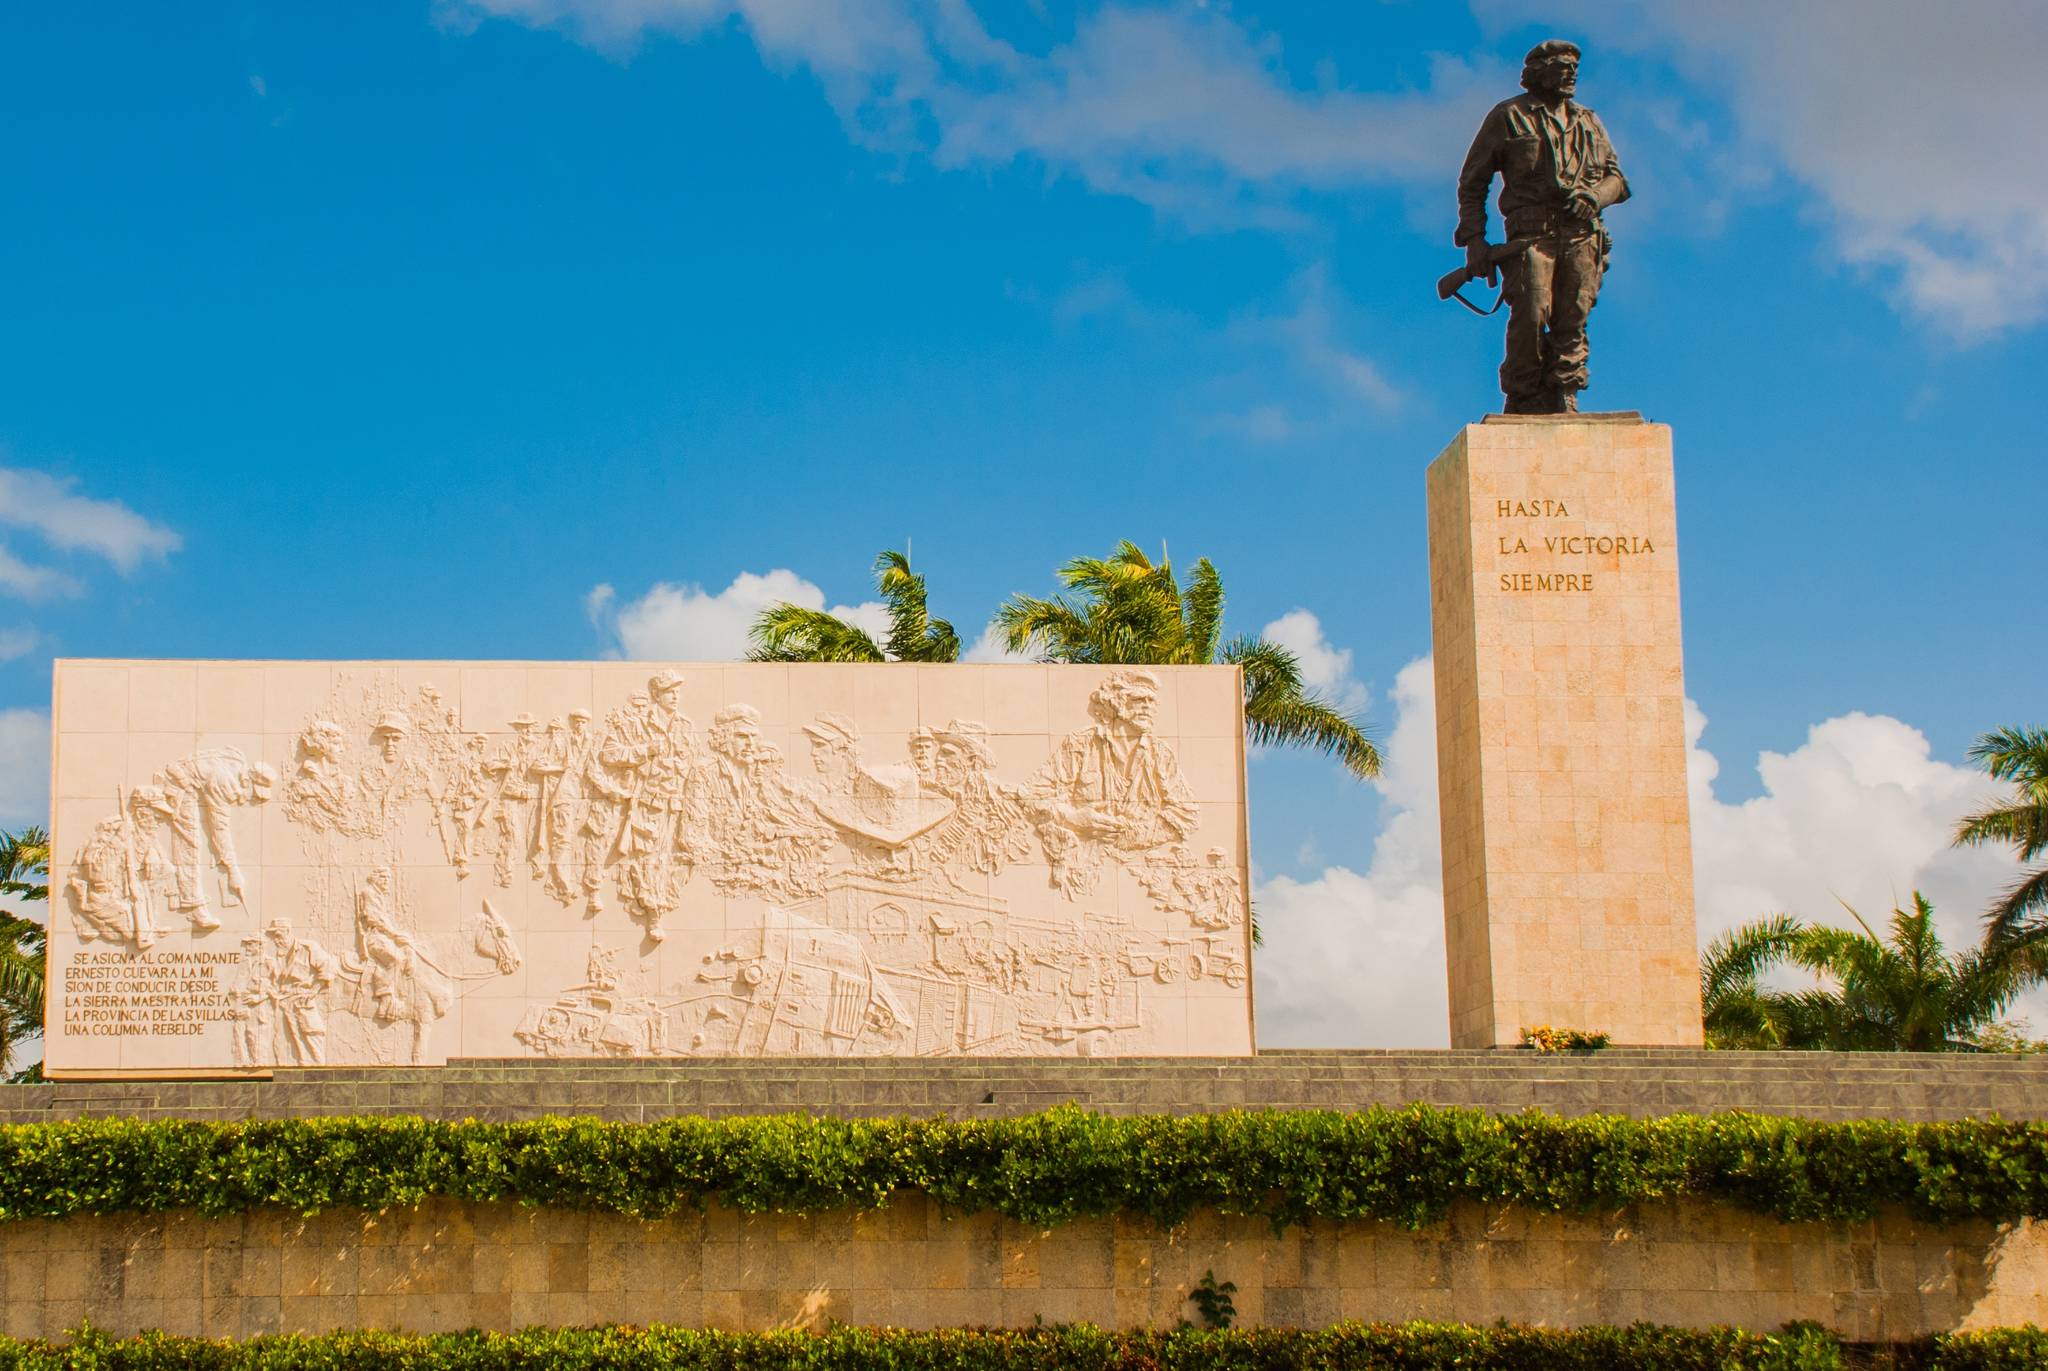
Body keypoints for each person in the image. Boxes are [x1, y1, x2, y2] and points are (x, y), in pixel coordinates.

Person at [1454, 39, 1630, 414]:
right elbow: (1472, 183)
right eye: (1561, 67)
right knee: (1531, 313)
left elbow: (1617, 179)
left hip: (1582, 234)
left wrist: (1595, 197)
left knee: (1573, 316)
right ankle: (1523, 396)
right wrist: (1475, 242)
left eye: (1573, 69)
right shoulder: (1508, 117)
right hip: (1530, 235)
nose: (1570, 74)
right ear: (1537, 72)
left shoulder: (1588, 121)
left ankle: (1566, 393)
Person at [157, 747, 277, 929]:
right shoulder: (226, 782)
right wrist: (233, 871)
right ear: (247, 781)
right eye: (253, 793)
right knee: (190, 844)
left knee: (199, 841)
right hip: (179, 785)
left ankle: (195, 901)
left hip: (189, 783)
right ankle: (194, 907)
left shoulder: (239, 760)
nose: (248, 799)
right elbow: (219, 828)